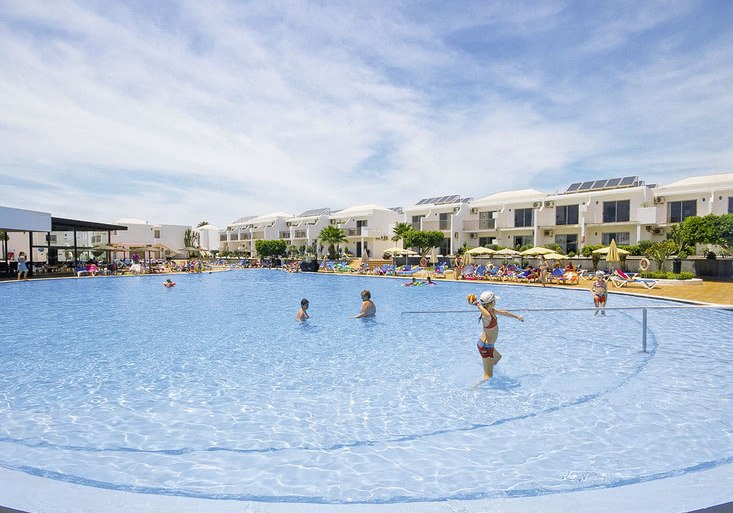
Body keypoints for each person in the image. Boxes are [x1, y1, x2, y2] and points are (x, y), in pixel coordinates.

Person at [468, 290, 524, 381]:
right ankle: (473, 387)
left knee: (498, 357)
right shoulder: (486, 316)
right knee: (488, 376)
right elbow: (487, 315)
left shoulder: (492, 311)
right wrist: (477, 304)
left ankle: (487, 364)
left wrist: (517, 317)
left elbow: (504, 312)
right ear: (492, 303)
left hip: (488, 345)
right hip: (485, 347)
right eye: (494, 300)